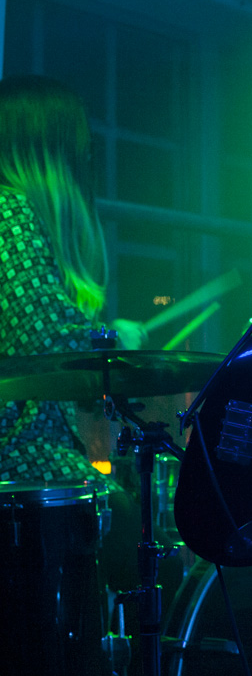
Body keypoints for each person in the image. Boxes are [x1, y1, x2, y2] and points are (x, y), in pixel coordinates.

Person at [0, 74, 146, 488]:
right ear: (49, 148)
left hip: (25, 453)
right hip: (16, 456)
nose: (85, 155)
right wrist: (110, 339)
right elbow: (44, 336)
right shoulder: (10, 211)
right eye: (79, 144)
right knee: (121, 514)